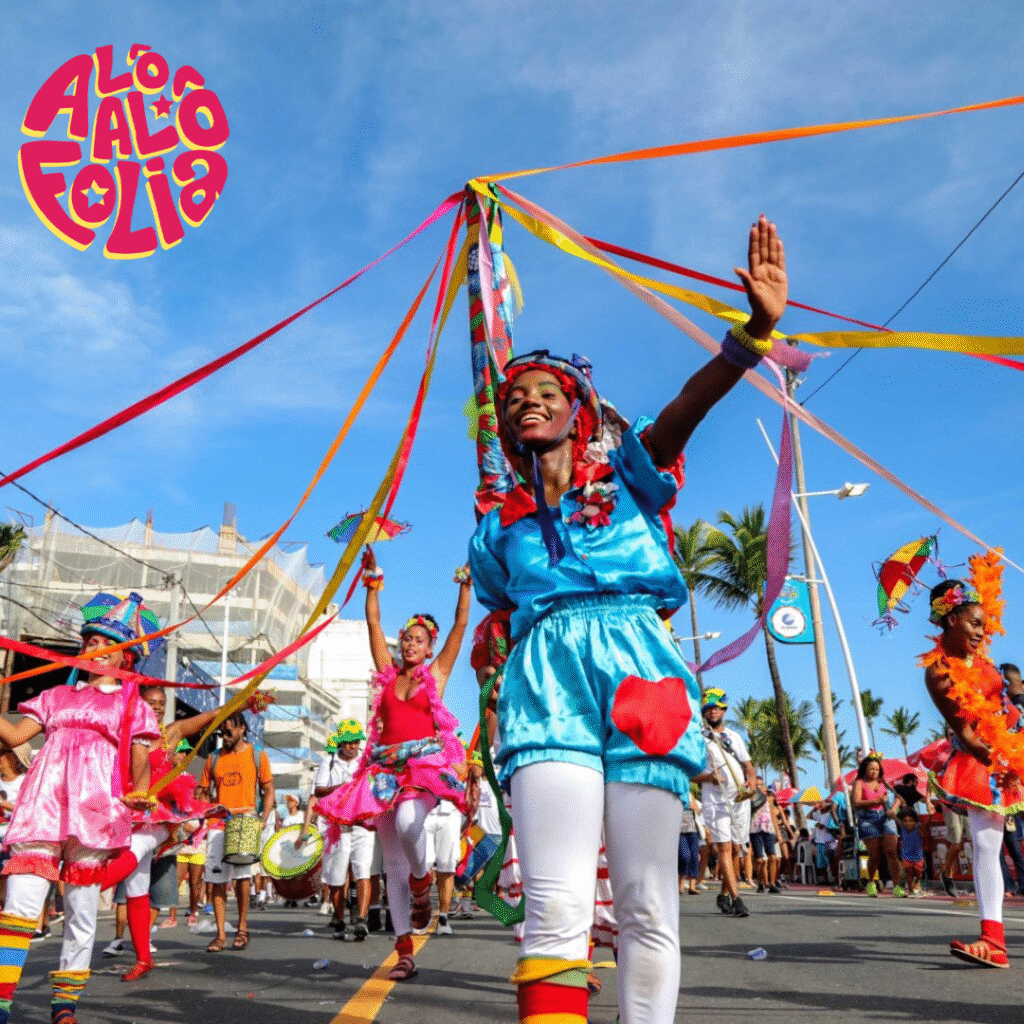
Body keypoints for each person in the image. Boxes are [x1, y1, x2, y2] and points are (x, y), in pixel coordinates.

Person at [468, 215, 787, 1024]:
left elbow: (687, 407)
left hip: (641, 670)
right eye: (513, 400)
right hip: (546, 680)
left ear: (579, 411)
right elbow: (501, 614)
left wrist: (751, 333)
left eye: (545, 394)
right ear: (505, 427)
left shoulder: (635, 476)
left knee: (648, 900)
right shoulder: (496, 525)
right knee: (556, 903)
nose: (526, 404)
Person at [0, 591, 161, 1024]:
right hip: (43, 806)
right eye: (91, 641)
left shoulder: (133, 705)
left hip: (93, 812)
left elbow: (140, 767)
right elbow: (14, 738)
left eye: (107, 644)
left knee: (81, 913)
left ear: (125, 659)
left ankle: (63, 1004)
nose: (96, 648)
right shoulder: (54, 696)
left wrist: (142, 793)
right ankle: (1, 1000)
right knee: (19, 907)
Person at [316, 546, 471, 981]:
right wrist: (372, 580)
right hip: (382, 770)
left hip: (420, 766)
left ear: (430, 646)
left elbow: (461, 623)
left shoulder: (435, 674)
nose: (409, 643)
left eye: (418, 639)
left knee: (408, 823)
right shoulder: (387, 673)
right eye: (406, 638)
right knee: (392, 867)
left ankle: (425, 883)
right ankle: (404, 950)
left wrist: (466, 585)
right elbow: (373, 622)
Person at [922, 565, 1024, 967]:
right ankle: (993, 939)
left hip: (1013, 745)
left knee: (989, 843)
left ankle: (994, 940)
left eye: (985, 624)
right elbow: (967, 735)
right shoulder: (940, 673)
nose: (983, 632)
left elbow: (1008, 694)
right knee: (985, 843)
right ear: (951, 619)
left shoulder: (981, 659)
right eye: (975, 623)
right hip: (985, 760)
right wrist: (1006, 766)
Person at [199, 711, 275, 953]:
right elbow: (202, 792)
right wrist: (205, 808)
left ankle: (242, 928)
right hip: (218, 826)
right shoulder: (212, 759)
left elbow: (269, 790)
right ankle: (220, 935)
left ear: (242, 729)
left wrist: (262, 819)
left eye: (229, 732)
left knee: (242, 877)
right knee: (216, 880)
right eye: (222, 732)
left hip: (245, 821)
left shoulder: (257, 756)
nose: (225, 737)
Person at [298, 720, 375, 939]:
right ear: (341, 742)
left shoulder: (365, 760)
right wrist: (339, 788)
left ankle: (361, 919)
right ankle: (340, 920)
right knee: (336, 876)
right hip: (336, 827)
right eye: (347, 742)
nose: (352, 746)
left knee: (362, 871)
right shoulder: (329, 761)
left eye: (355, 742)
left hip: (361, 824)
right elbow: (318, 790)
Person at [696, 688, 757, 917]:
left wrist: (750, 781)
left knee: (736, 849)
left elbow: (748, 767)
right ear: (704, 712)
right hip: (715, 799)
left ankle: (724, 894)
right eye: (709, 708)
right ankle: (737, 898)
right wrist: (709, 778)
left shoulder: (735, 737)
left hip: (739, 800)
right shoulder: (699, 739)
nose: (713, 711)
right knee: (724, 847)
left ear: (723, 709)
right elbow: (691, 773)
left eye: (717, 707)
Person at [852, 755, 904, 897]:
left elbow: (898, 797)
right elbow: (856, 802)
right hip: (868, 819)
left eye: (876, 769)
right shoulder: (859, 783)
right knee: (875, 855)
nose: (874, 772)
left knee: (891, 851)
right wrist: (876, 801)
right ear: (865, 769)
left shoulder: (884, 783)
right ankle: (870, 882)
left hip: (886, 817)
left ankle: (897, 886)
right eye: (871, 769)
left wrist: (893, 808)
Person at [749, 780, 782, 893]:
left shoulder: (768, 800)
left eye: (761, 785)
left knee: (772, 857)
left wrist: (778, 833)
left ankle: (772, 883)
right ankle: (761, 882)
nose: (759, 787)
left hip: (769, 829)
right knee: (759, 860)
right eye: (757, 785)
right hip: (755, 829)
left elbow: (773, 817)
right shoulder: (749, 799)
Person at [897, 808, 925, 897]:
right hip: (906, 855)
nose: (908, 823)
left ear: (915, 821)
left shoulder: (919, 830)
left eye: (911, 821)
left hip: (918, 856)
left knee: (918, 873)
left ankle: (917, 883)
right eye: (905, 821)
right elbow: (895, 818)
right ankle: (910, 890)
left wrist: (931, 813)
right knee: (908, 873)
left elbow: (927, 822)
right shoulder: (903, 828)